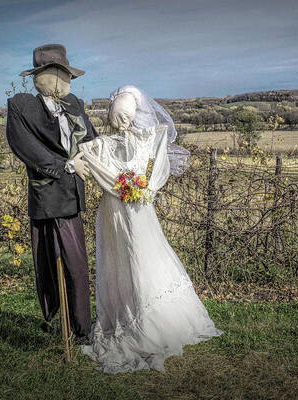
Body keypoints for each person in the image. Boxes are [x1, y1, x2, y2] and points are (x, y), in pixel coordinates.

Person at [78, 85, 223, 373]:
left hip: (132, 211)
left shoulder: (142, 140)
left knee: (141, 257)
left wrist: (142, 188)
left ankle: (146, 317)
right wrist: (142, 188)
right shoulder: (107, 145)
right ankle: (131, 311)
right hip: (125, 211)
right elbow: (91, 160)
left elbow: (155, 170)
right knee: (129, 258)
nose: (121, 122)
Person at [5, 44, 97, 342]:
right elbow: (26, 148)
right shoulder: (21, 106)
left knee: (77, 266)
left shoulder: (75, 104)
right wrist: (66, 165)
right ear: (44, 75)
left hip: (71, 198)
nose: (65, 80)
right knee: (46, 265)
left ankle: (80, 329)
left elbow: (92, 141)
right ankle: (56, 318)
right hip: (45, 196)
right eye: (60, 73)